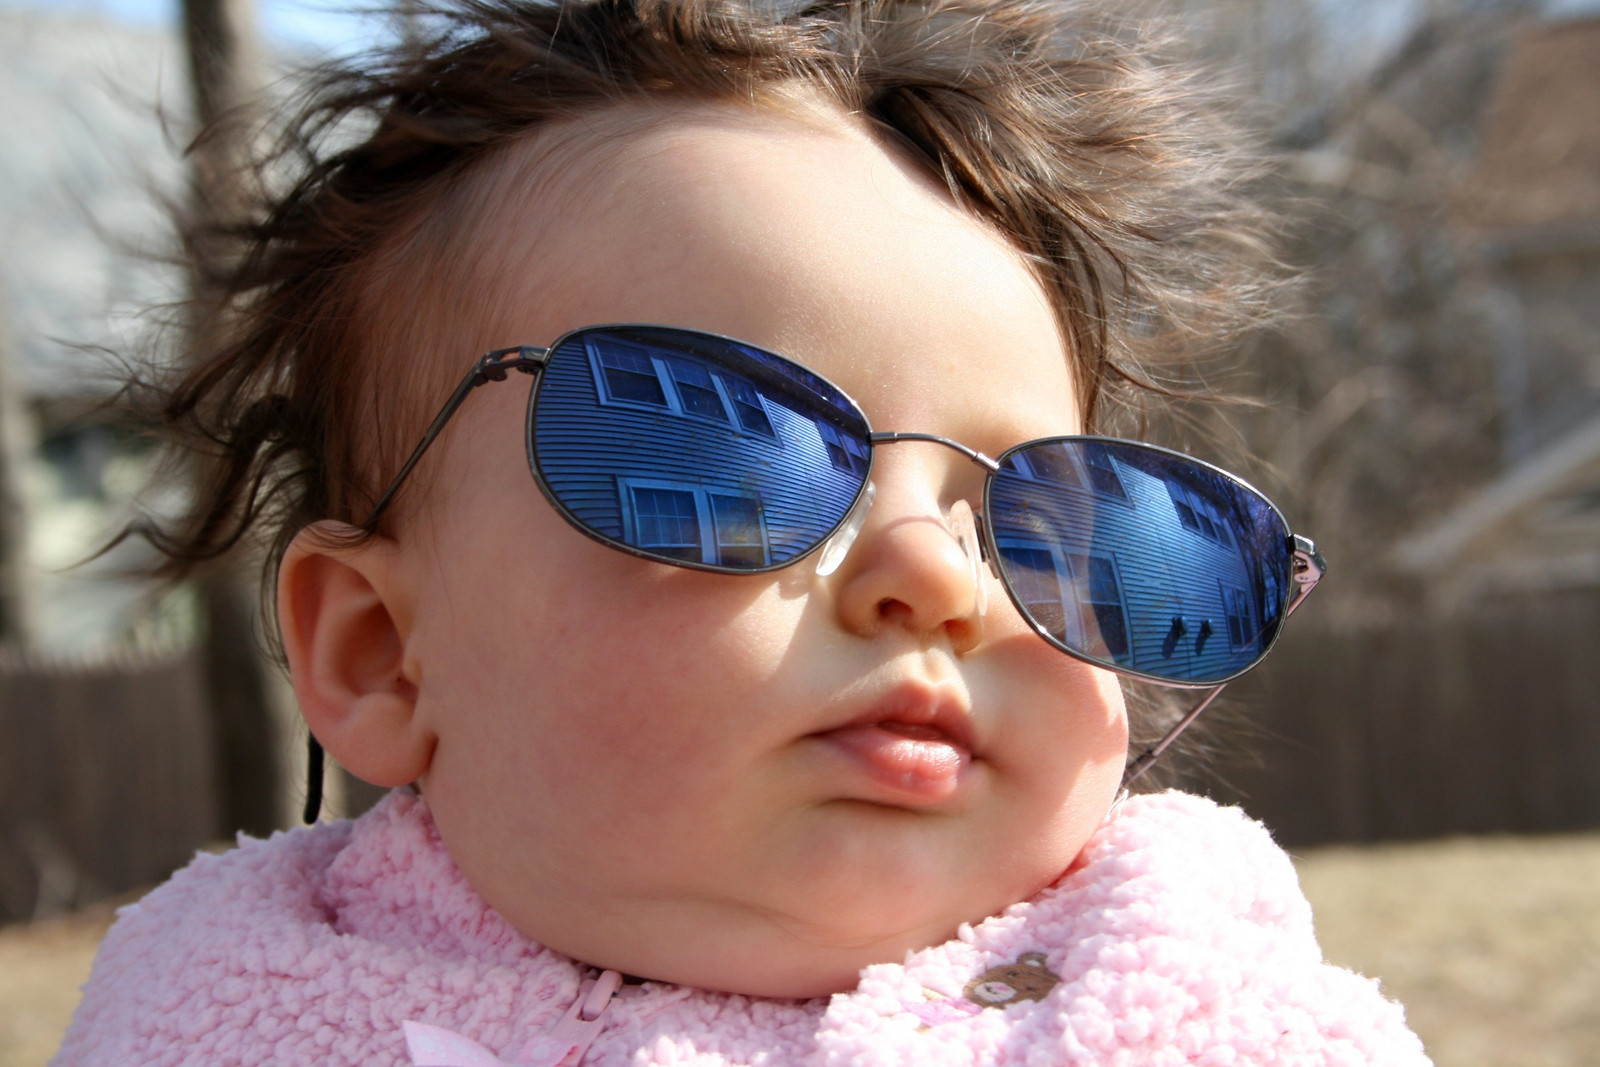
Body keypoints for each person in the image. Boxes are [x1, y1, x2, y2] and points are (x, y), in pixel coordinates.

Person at [56, 1, 1430, 1063]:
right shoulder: (217, 1011)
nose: (935, 577)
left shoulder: (1211, 1013)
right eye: (721, 452)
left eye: (1056, 525)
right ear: (382, 654)